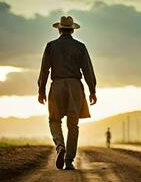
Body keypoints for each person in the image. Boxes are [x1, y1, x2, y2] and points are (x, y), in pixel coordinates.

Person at [38, 16, 97, 170]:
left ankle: (59, 146)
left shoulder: (51, 46)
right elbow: (88, 70)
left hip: (57, 85)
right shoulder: (80, 47)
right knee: (73, 124)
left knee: (54, 120)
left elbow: (44, 69)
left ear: (59, 29)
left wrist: (41, 90)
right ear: (72, 30)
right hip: (74, 86)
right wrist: (92, 90)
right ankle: (69, 160)